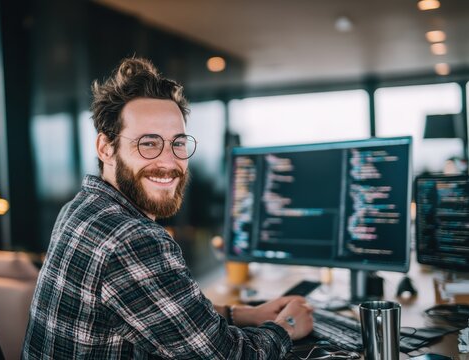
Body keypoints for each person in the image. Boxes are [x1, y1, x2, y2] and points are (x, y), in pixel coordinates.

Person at [22, 57, 313, 359]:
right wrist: (287, 327)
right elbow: (227, 355)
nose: (168, 162)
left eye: (178, 143)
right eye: (148, 143)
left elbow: (160, 309)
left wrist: (239, 313)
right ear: (106, 148)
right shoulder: (132, 238)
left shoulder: (81, 207)